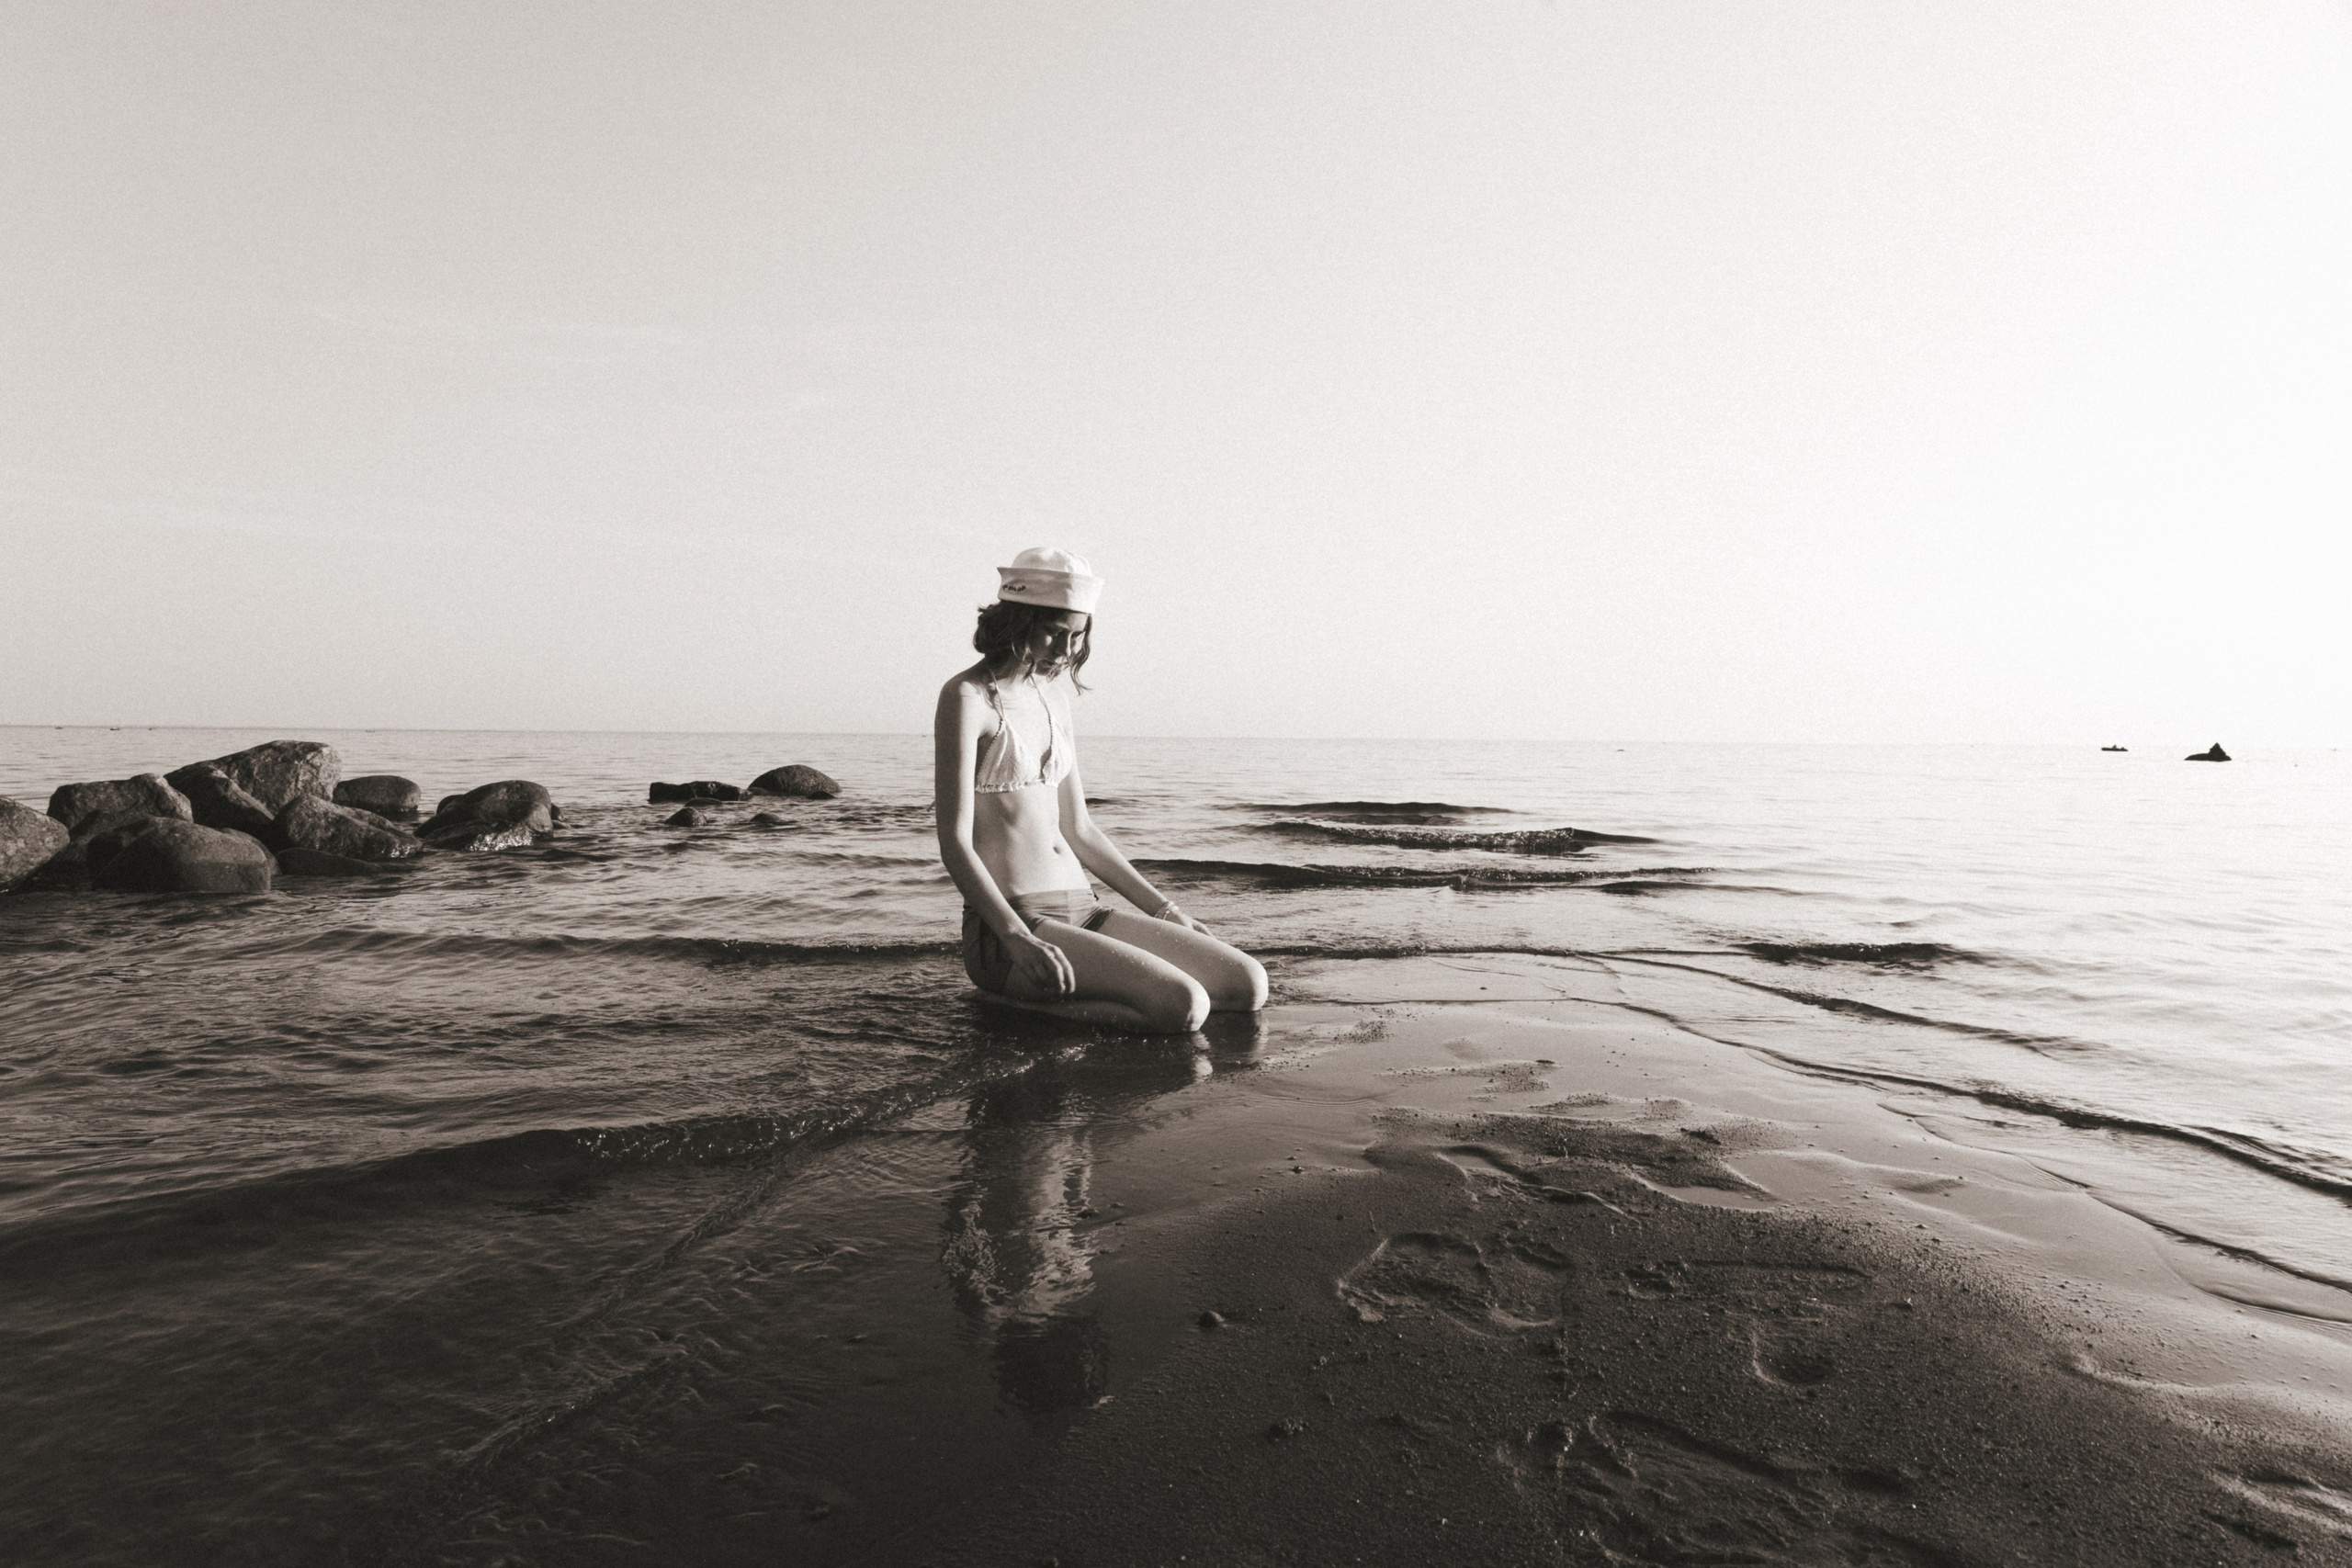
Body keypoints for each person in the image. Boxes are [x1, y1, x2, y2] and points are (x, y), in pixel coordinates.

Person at [934, 547, 1267, 1032]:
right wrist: (1015, 937)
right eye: (1053, 632)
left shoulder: (1054, 699)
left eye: (1077, 635)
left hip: (1085, 911)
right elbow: (955, 844)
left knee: (1246, 984)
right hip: (1013, 923)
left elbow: (1080, 830)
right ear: (1016, 621)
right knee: (1182, 1006)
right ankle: (1001, 1002)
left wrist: (1166, 911)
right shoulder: (966, 698)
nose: (1066, 650)